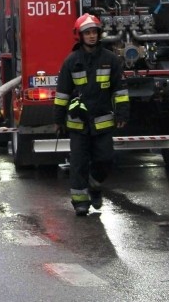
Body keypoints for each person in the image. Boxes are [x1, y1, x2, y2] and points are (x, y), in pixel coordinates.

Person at [53, 14, 129, 217]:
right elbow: (62, 94)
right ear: (80, 35)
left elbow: (119, 91)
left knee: (105, 159)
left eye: (94, 32)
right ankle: (80, 202)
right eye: (88, 33)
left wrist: (122, 113)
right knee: (78, 163)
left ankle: (95, 184)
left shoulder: (110, 60)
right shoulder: (71, 62)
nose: (92, 36)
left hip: (102, 121)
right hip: (78, 124)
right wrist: (58, 120)